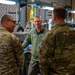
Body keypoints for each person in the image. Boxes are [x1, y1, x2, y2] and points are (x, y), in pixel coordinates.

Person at [39, 6, 75, 75]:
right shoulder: (73, 32)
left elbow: (43, 59)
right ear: (64, 17)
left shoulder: (51, 34)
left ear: (54, 17)